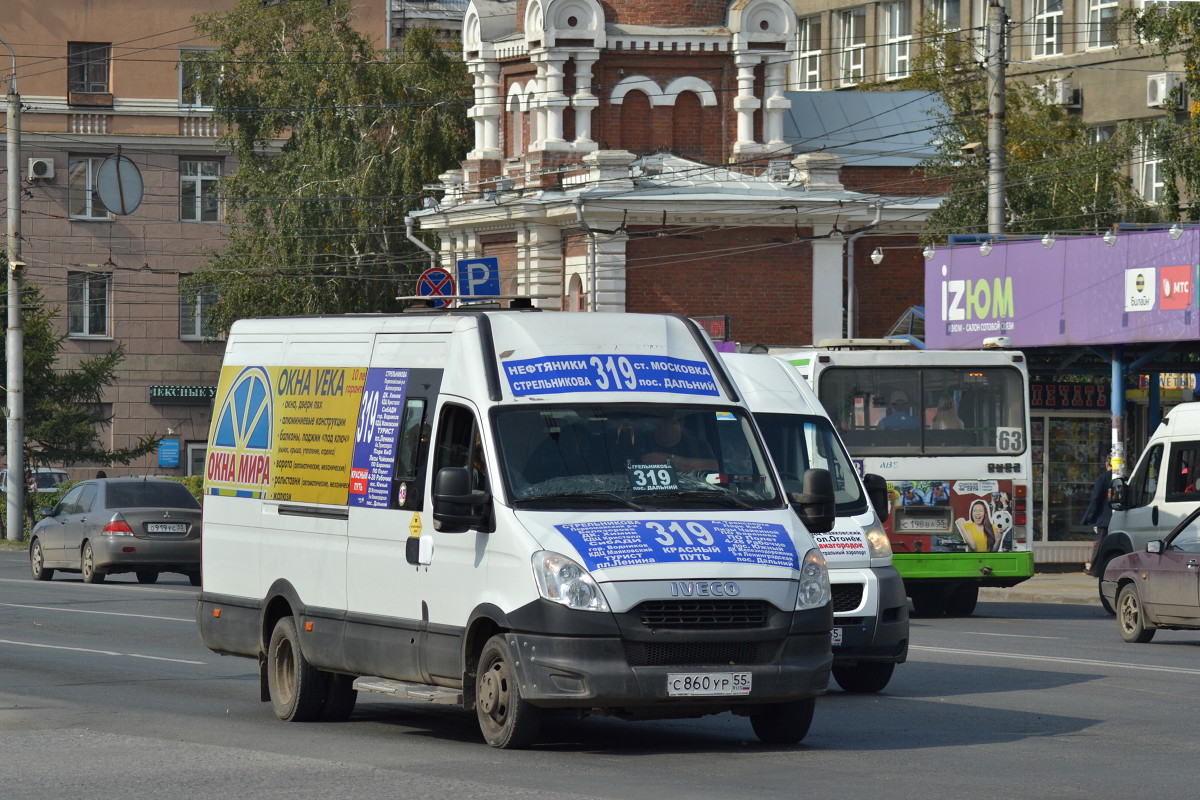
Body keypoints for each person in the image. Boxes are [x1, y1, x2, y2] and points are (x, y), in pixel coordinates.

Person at [640, 412, 718, 471]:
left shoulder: (697, 446)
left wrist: (668, 460)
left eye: (668, 425)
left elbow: (713, 466)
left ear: (681, 425)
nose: (663, 429)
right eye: (659, 425)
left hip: (692, 490)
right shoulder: (642, 444)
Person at [1081, 461, 1113, 541]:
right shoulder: (1125, 478)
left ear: (1107, 464)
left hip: (1104, 520)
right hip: (1120, 520)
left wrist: (1092, 515)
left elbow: (1095, 498)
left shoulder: (1102, 479)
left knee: (1100, 547)